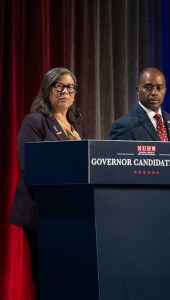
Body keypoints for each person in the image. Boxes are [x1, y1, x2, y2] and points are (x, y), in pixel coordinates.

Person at [9, 67, 87, 299]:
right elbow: (30, 168)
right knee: (47, 276)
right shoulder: (35, 121)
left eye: (71, 87)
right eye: (59, 86)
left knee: (69, 276)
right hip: (43, 211)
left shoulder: (77, 122)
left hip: (73, 211)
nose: (66, 91)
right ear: (48, 89)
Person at [109, 67, 170, 141]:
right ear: (138, 90)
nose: (154, 93)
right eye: (148, 87)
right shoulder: (124, 125)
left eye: (159, 88)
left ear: (165, 91)